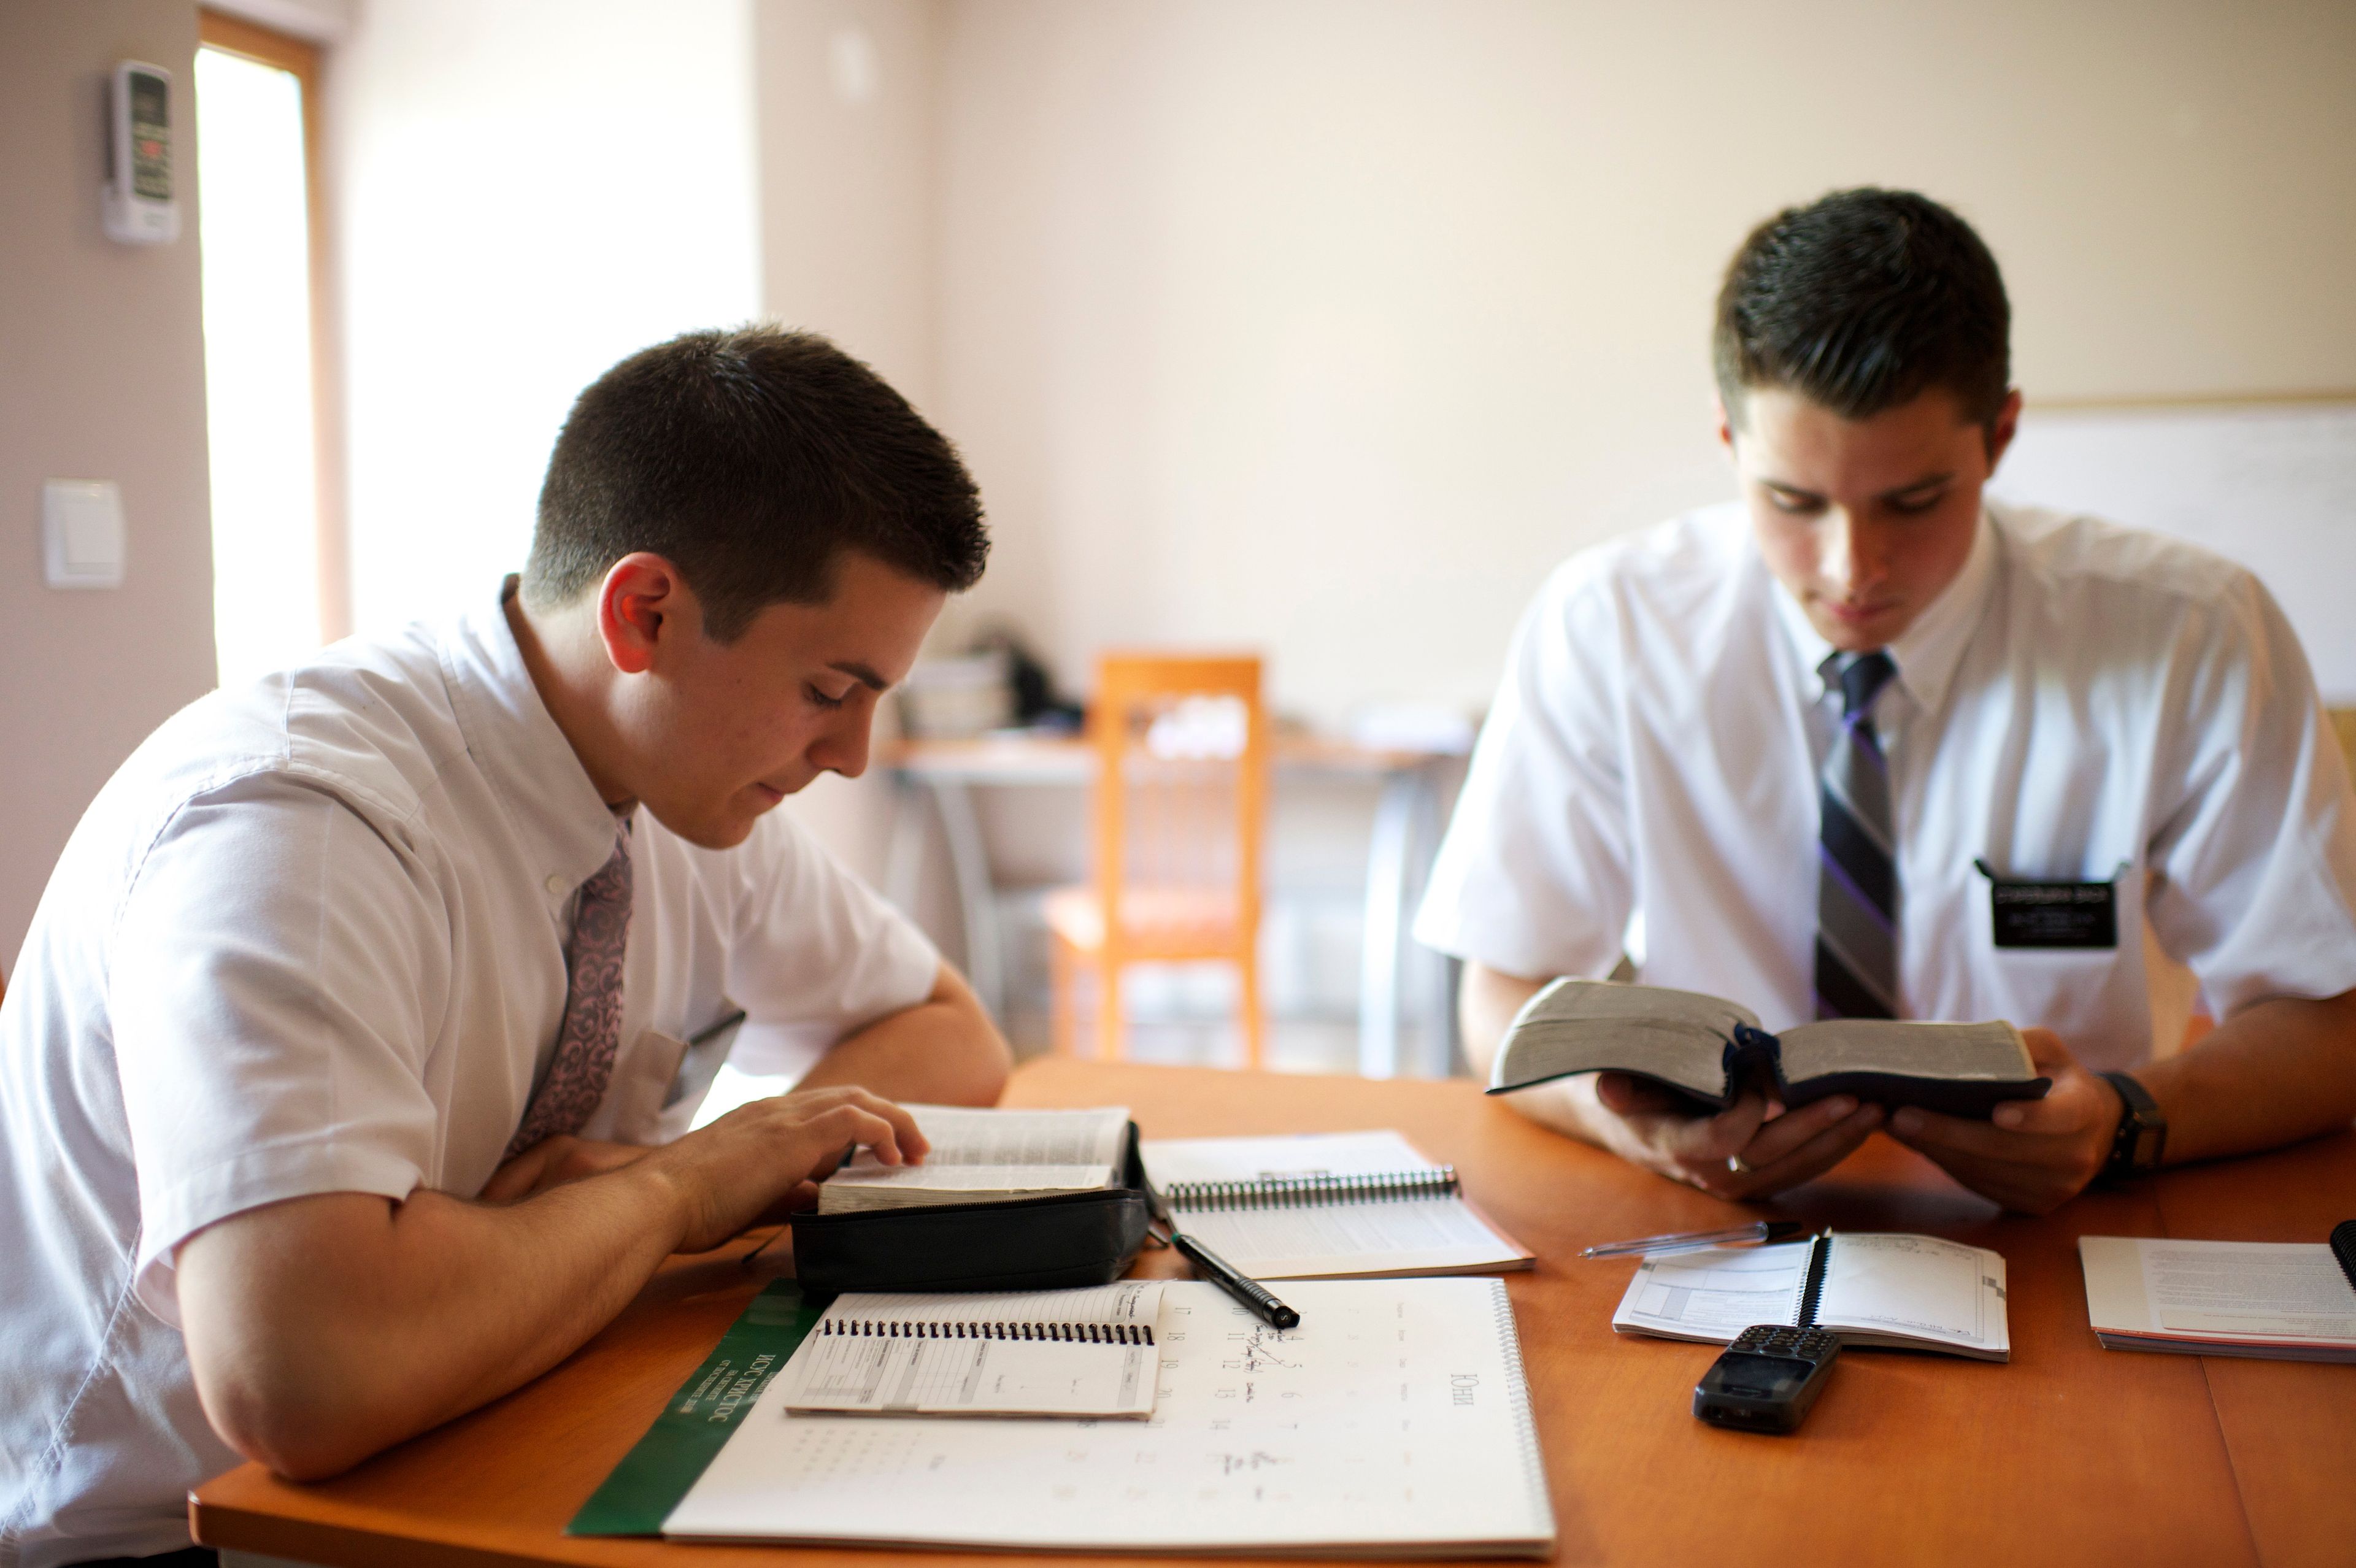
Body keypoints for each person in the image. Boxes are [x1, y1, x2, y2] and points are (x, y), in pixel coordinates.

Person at [0, 328, 1014, 1567]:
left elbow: (950, 1035)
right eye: (830, 690)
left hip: (497, 1418)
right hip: (172, 1530)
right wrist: (678, 1191)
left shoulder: (683, 788)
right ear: (646, 612)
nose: (854, 754)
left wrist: (597, 1231)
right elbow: (300, 1377)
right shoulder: (299, 824)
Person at [1416, 188, 2356, 1215]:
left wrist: (2123, 1120)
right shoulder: (1609, 627)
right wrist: (1633, 1130)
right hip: (1716, 1232)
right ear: (1729, 440)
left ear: (1999, 437)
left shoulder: (2190, 633)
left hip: (2067, 1231)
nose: (1849, 567)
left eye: (1912, 502)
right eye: (1793, 502)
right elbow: (1501, 995)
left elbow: (2329, 1026)